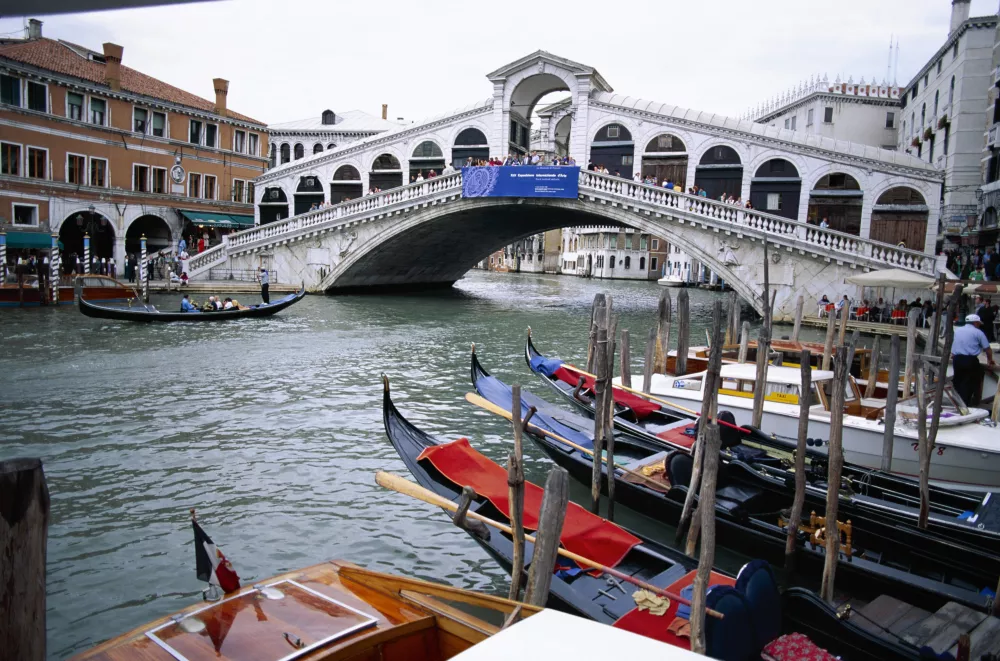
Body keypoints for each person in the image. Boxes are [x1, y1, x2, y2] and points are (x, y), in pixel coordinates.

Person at [952, 314, 996, 406]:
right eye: (979, 323)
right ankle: (967, 405)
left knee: (957, 382)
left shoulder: (957, 330)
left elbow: (955, 345)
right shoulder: (978, 332)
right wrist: (990, 360)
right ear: (975, 323)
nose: (979, 325)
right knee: (970, 384)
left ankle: (957, 404)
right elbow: (987, 349)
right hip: (970, 361)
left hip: (957, 360)